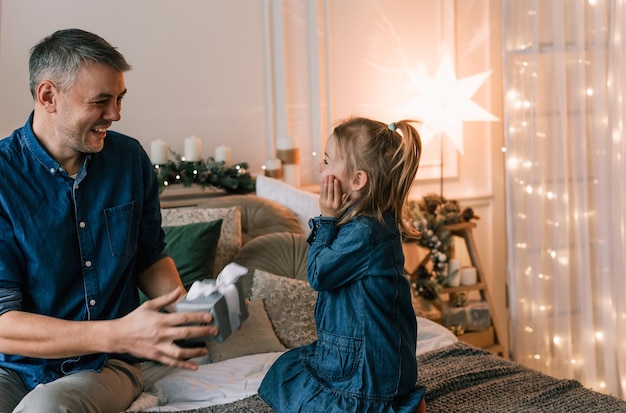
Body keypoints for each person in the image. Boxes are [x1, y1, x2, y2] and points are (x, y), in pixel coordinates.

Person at [0, 28, 218, 412]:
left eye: (119, 99)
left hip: (107, 363)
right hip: (14, 367)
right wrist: (119, 332)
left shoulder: (130, 160)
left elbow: (149, 256)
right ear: (48, 96)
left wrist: (182, 310)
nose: (115, 114)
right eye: (101, 101)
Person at [258, 117, 427, 412]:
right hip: (368, 356)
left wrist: (325, 220)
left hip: (367, 370)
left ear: (358, 180)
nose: (320, 168)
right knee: (287, 369)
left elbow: (318, 274)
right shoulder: (371, 222)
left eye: (326, 161)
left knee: (293, 389)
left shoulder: (363, 233)